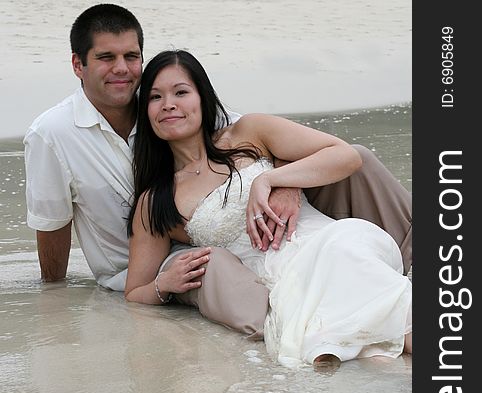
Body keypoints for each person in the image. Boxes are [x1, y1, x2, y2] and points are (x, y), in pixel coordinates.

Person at [24, 3, 412, 342]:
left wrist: (280, 179)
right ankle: (279, 326)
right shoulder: (55, 134)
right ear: (79, 64)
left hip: (312, 240)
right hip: (171, 264)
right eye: (106, 57)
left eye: (131, 56)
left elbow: (265, 144)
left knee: (349, 239)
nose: (122, 69)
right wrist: (52, 298)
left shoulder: (219, 123)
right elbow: (52, 222)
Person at [125, 50, 412, 368]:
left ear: (203, 98)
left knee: (344, 255)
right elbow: (134, 290)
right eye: (155, 97)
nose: (168, 104)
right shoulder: (157, 200)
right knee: (380, 349)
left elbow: (346, 156)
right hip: (281, 281)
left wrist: (274, 179)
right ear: (145, 111)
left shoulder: (249, 132)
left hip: (335, 239)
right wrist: (162, 286)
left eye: (181, 92)